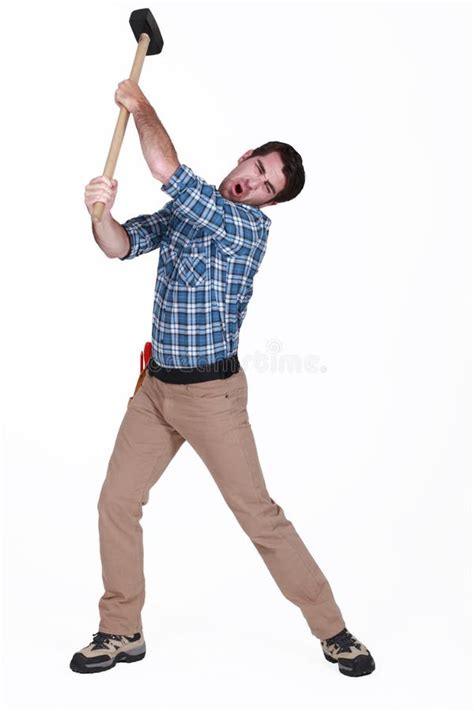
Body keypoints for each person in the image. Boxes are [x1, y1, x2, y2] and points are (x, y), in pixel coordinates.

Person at [70, 79, 376, 678]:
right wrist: (98, 213)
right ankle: (120, 628)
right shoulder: (191, 210)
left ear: (269, 203)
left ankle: (333, 629)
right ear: (243, 156)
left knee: (258, 514)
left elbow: (165, 166)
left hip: (213, 397)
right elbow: (120, 245)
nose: (254, 183)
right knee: (117, 500)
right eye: (257, 168)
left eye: (268, 187)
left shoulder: (244, 229)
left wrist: (142, 109)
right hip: (156, 389)